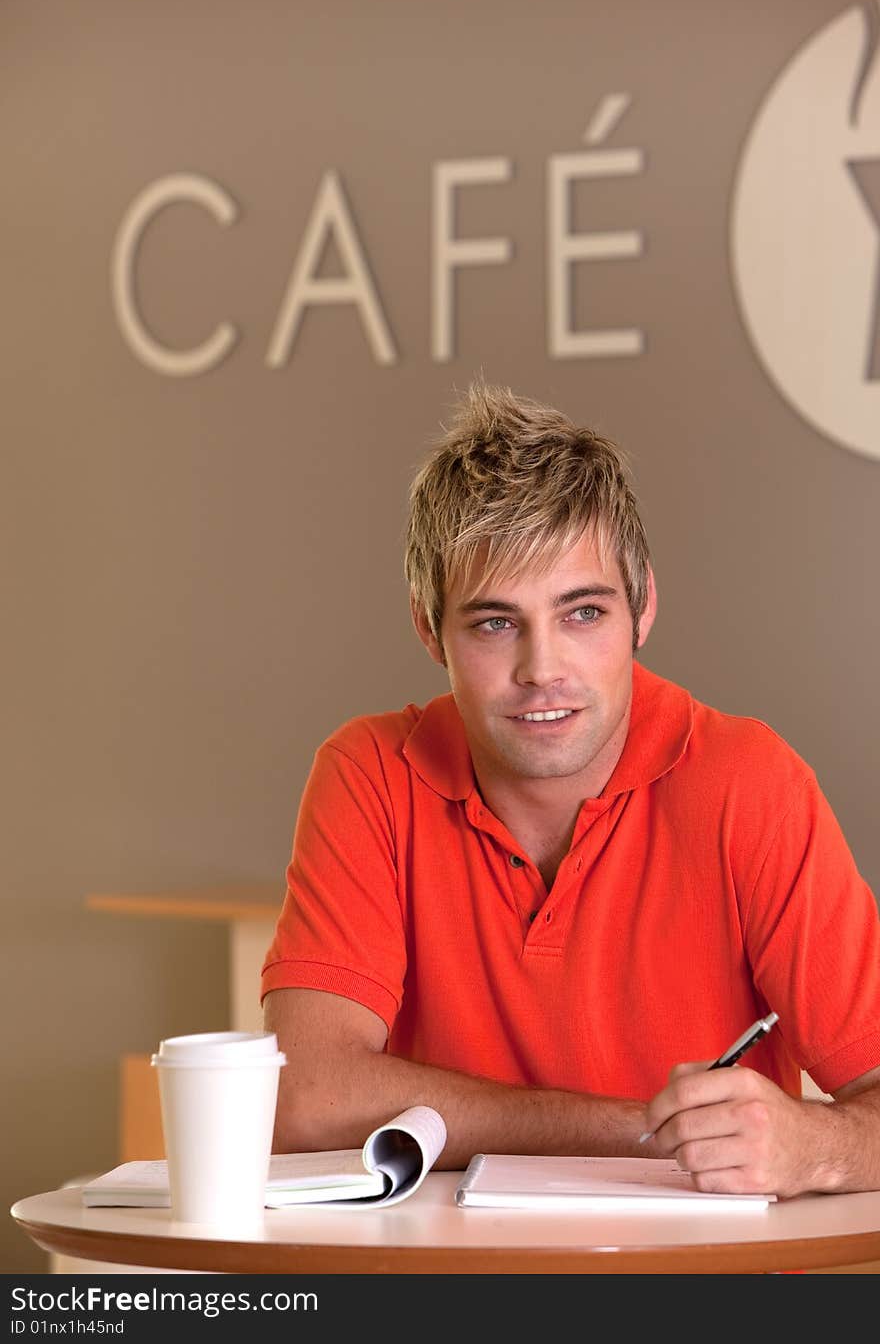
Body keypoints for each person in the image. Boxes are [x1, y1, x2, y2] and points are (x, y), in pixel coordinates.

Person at [262, 380, 880, 1199]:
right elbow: (305, 1097)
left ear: (643, 607)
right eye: (493, 623)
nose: (541, 669)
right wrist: (644, 1130)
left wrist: (811, 1146)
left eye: (582, 613)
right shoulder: (370, 773)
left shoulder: (748, 782)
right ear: (427, 627)